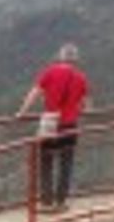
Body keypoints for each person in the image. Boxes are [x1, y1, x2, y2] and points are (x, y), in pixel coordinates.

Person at [16, 43, 90, 210]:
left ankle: (46, 202)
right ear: (76, 59)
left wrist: (21, 112)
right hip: (70, 125)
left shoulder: (50, 72)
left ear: (60, 56)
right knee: (66, 162)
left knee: (46, 161)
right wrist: (75, 109)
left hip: (50, 123)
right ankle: (61, 201)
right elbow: (85, 104)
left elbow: (34, 93)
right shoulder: (81, 78)